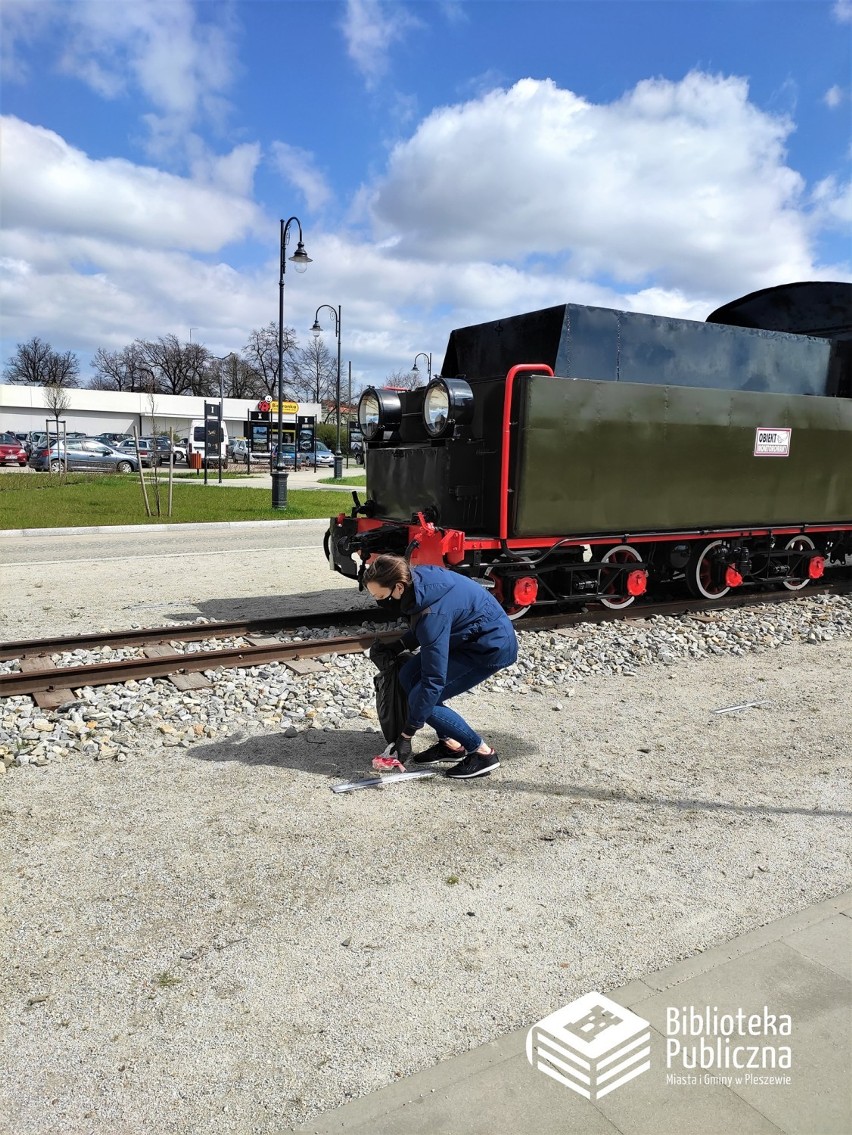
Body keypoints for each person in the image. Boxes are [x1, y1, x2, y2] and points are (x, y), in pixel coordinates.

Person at [363, 554, 518, 779]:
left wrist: (406, 735)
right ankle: (451, 745)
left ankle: (482, 753)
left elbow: (433, 680)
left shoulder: (431, 614)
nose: (378, 600)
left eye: (380, 595)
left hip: (489, 648)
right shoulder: (416, 579)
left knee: (421, 698)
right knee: (407, 675)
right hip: (466, 636)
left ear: (397, 588)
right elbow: (426, 623)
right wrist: (398, 645)